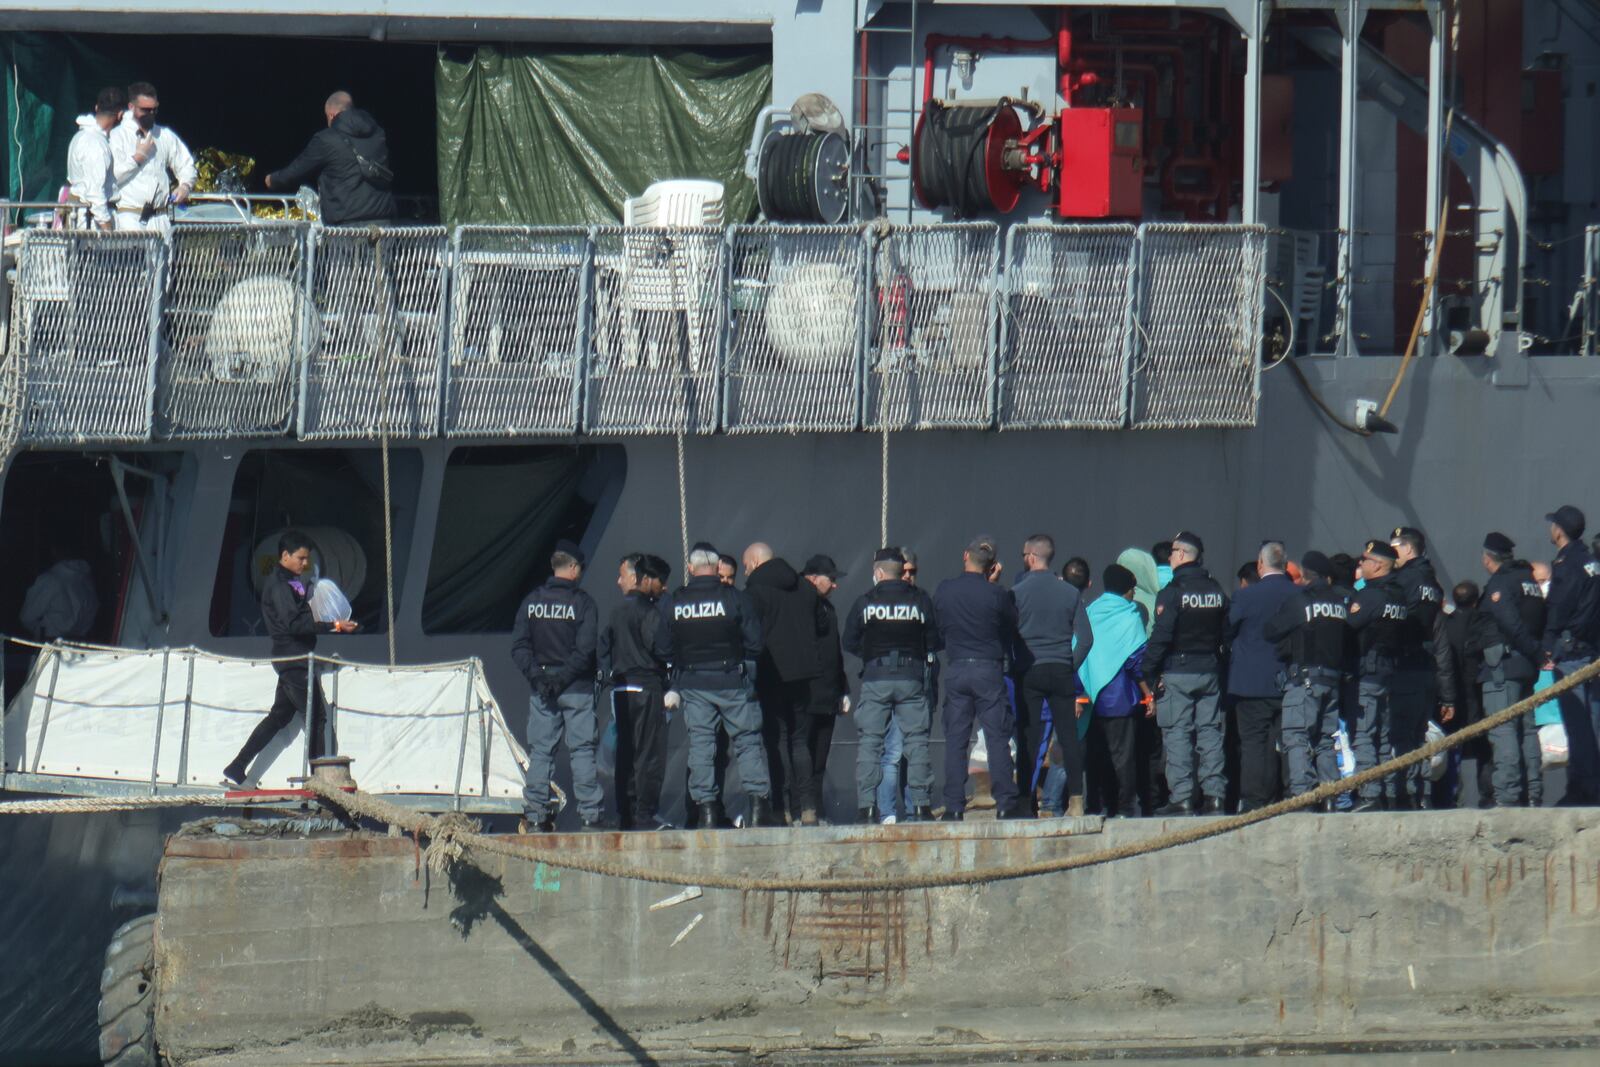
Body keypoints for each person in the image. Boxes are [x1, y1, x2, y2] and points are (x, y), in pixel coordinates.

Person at [222, 531, 357, 786]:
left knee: (279, 717)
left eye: (307, 559)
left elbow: (300, 610)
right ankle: (319, 779)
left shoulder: (291, 583)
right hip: (294, 661)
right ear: (285, 556)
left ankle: (237, 765)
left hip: (291, 660)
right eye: (301, 558)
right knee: (316, 717)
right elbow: (295, 624)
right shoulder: (279, 587)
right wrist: (333, 625)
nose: (305, 564)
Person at [657, 545, 772, 828]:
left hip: (694, 683)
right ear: (716, 567)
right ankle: (758, 808)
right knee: (747, 744)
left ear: (691, 568)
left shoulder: (675, 601)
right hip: (732, 680)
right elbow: (756, 644)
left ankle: (706, 810)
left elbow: (662, 647)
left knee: (702, 746)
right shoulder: (735, 598)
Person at [510, 541, 605, 832]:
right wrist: (562, 678)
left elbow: (520, 646)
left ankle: (536, 815)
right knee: (582, 752)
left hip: (543, 690)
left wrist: (539, 678)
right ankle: (590, 815)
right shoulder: (583, 603)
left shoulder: (532, 601)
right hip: (575, 688)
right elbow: (585, 649)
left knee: (540, 752)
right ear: (574, 568)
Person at [844, 548, 942, 822]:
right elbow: (935, 639)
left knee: (871, 744)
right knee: (917, 742)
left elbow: (849, 641)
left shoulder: (866, 602)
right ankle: (921, 806)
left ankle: (867, 807)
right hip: (911, 678)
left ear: (878, 573)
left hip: (876, 677)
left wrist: (873, 655)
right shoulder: (919, 601)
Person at [934, 536, 1021, 819]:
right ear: (992, 565)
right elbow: (1011, 624)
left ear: (965, 556)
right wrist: (993, 584)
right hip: (988, 668)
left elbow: (938, 628)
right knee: (997, 737)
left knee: (956, 738)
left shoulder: (945, 590)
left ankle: (954, 806)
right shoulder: (996, 594)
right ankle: (1006, 803)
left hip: (958, 666)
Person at [1145, 531, 1229, 816]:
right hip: (1209, 670)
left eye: (1172, 552)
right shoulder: (1216, 590)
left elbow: (1161, 636)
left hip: (1178, 671)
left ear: (1181, 554)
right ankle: (1214, 797)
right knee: (1210, 734)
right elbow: (1227, 634)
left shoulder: (1173, 592)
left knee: (1178, 734)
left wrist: (1147, 670)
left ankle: (1182, 798)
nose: (1169, 557)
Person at [742, 542, 825, 825]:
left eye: (745, 566)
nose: (744, 571)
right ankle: (809, 807)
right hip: (803, 675)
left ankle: (782, 807)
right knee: (800, 741)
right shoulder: (805, 588)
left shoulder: (755, 591)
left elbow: (749, 632)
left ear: (754, 563)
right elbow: (822, 625)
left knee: (775, 741)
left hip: (771, 673)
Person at [1263, 551, 1349, 803]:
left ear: (1306, 574)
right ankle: (1331, 796)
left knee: (1296, 737)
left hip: (1304, 680)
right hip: (1332, 681)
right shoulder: (1339, 603)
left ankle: (1302, 796)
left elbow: (1271, 631)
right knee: (1324, 739)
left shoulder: (1300, 601)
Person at [1012, 533, 1084, 817]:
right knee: (1068, 736)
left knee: (1029, 737)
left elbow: (1009, 637)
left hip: (1031, 670)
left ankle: (1024, 803)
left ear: (1030, 557)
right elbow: (1086, 639)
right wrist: (1069, 664)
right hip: (1061, 668)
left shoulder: (1016, 594)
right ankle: (1076, 801)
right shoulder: (1070, 592)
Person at [1073, 564, 1152, 818]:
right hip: (1118, 700)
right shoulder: (1130, 616)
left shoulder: (1089, 612)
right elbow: (1136, 662)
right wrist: (1148, 693)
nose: (1133, 596)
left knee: (1094, 756)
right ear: (1127, 590)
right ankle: (1125, 807)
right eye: (1132, 591)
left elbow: (1076, 651)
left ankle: (1094, 805)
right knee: (1122, 757)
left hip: (1089, 698)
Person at [1476, 533, 1548, 807]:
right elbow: (1540, 617)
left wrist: (1532, 649)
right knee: (1527, 730)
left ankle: (1507, 794)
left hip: (1503, 666)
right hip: (1525, 665)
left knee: (1502, 729)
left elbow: (1510, 623)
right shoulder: (1528, 580)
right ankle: (1532, 792)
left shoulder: (1501, 583)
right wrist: (1536, 652)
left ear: (1487, 558)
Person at [1227, 542, 1299, 812]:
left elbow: (1229, 629)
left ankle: (1255, 800)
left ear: (1260, 563)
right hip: (1289, 679)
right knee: (1291, 740)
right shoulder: (1298, 593)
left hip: (1251, 682)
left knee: (1254, 743)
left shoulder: (1246, 596)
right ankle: (1292, 794)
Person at [599, 552, 669, 830]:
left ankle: (625, 813)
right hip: (646, 687)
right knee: (648, 755)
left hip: (620, 688)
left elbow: (603, 648)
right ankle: (645, 813)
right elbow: (662, 649)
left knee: (625, 754)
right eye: (661, 581)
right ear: (647, 580)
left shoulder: (616, 612)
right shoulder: (650, 612)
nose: (664, 587)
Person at [265, 91, 396, 227]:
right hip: (383, 222)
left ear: (331, 115)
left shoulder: (326, 139)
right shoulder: (378, 134)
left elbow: (297, 170)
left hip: (346, 226)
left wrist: (272, 180)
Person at [1541, 505, 1600, 805]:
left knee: (1578, 726)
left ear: (1560, 530)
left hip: (1572, 653)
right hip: (1591, 652)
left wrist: (1551, 643)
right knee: (1593, 724)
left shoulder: (1568, 565)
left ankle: (1583, 790)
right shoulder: (1591, 562)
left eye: (1553, 524)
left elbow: (1558, 609)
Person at [1346, 539, 1410, 811]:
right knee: (1384, 737)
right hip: (1388, 672)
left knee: (1364, 734)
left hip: (1367, 672)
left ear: (1379, 565)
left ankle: (1369, 794)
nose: (1360, 564)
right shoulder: (1398, 595)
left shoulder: (1371, 596)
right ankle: (1388, 793)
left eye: (1365, 560)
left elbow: (1349, 627)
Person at [1388, 527, 1445, 808]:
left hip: (1404, 665)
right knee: (1418, 735)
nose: (1391, 554)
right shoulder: (1432, 581)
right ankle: (1419, 793)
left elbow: (1396, 623)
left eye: (1394, 547)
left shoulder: (1404, 579)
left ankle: (1404, 795)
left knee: (1400, 735)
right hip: (1425, 666)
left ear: (1408, 549)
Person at [800, 554, 850, 825]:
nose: (834, 585)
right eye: (830, 580)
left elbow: (835, 653)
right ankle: (800, 807)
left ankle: (816, 809)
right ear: (812, 579)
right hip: (806, 695)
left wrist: (843, 689)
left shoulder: (829, 611)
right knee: (803, 756)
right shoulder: (799, 607)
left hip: (827, 695)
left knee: (819, 758)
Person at [1434, 580, 1493, 808]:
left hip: (1452, 693)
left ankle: (1448, 796)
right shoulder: (1484, 622)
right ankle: (1487, 795)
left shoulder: (1446, 624)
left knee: (1450, 745)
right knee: (1484, 748)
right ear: (1476, 600)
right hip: (1477, 691)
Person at [109, 82, 195, 232]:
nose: (151, 114)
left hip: (160, 217)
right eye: (145, 110)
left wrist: (185, 186)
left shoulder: (164, 135)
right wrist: (137, 158)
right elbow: (113, 177)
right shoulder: (118, 136)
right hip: (130, 217)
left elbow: (186, 165)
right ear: (131, 107)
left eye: (154, 109)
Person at [65, 87, 124, 230]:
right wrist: (108, 230)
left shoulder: (80, 136)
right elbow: (95, 194)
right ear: (120, 114)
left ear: (97, 107)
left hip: (82, 216)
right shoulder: (96, 144)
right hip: (91, 225)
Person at [19, 549, 98, 640]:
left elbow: (26, 617)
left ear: (54, 551)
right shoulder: (86, 579)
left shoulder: (50, 580)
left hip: (51, 644)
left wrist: (39, 630)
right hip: (80, 644)